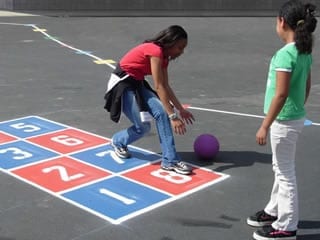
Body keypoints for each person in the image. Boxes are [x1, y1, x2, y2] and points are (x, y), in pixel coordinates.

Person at [247, 1, 317, 239]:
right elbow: (306, 84)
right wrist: (299, 106)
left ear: (282, 22)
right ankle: (273, 210)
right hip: (293, 117)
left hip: (283, 121)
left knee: (285, 173)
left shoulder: (285, 54)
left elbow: (281, 93)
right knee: (280, 168)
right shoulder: (303, 50)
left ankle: (287, 226)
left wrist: (265, 125)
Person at [104, 25, 195, 175]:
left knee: (162, 113)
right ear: (171, 42)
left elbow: (166, 85)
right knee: (143, 127)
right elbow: (159, 86)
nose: (181, 52)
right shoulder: (155, 51)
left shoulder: (164, 58)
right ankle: (118, 141)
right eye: (180, 47)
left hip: (137, 83)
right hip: (123, 84)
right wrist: (173, 116)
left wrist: (180, 109)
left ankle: (169, 161)